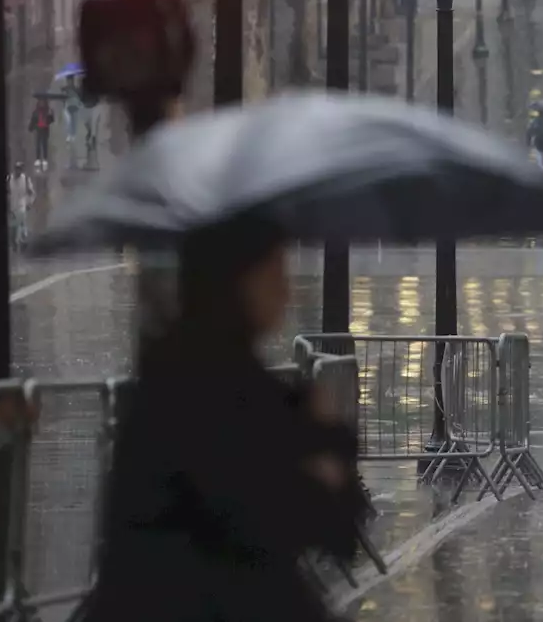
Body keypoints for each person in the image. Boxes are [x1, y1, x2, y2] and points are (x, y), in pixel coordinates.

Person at [90, 218, 368, 622]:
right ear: (233, 282)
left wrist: (325, 440)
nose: (286, 290)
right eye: (273, 273)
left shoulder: (239, 384)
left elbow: (339, 532)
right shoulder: (200, 388)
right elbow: (274, 517)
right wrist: (322, 453)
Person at [7, 162, 35, 251]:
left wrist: (30, 203)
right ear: (14, 169)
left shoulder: (26, 179)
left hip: (22, 205)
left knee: (20, 221)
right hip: (12, 206)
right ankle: (15, 242)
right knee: (13, 227)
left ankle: (21, 239)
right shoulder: (8, 179)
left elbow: (31, 193)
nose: (18, 171)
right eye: (17, 169)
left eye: (20, 169)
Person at [29, 98, 54, 171]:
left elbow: (51, 120)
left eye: (43, 102)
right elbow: (33, 120)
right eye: (40, 102)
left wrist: (51, 114)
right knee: (38, 144)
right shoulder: (36, 112)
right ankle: (38, 159)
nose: (41, 104)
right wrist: (31, 128)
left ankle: (45, 159)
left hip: (45, 129)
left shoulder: (48, 111)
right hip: (38, 129)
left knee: (44, 144)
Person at [62, 74, 82, 144]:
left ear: (73, 81)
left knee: (74, 122)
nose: (69, 82)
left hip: (75, 106)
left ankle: (73, 135)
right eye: (68, 80)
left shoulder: (76, 89)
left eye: (71, 80)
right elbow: (62, 98)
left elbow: (79, 97)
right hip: (68, 106)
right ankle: (69, 135)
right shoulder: (65, 89)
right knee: (69, 121)